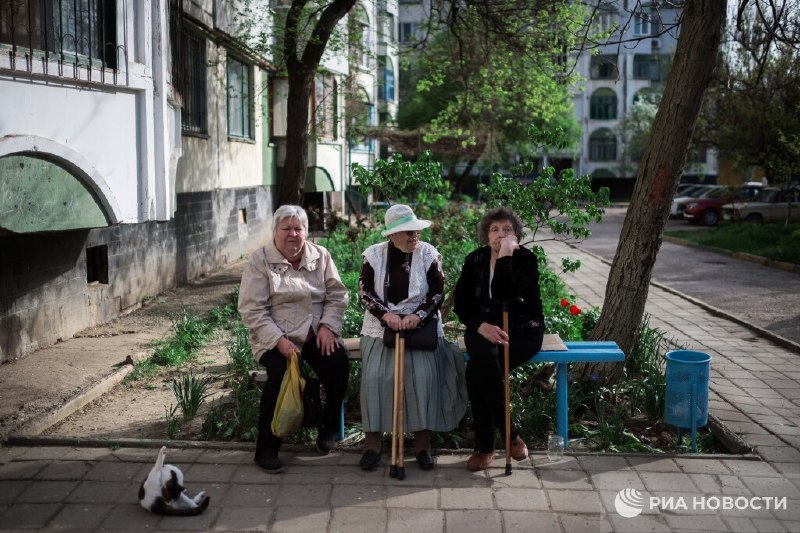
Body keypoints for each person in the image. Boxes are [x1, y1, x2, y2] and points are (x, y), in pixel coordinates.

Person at [238, 205, 350, 474]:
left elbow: (337, 295)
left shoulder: (320, 255)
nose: (292, 234)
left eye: (298, 228)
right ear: (274, 232)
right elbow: (253, 310)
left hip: (314, 332)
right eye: (286, 228)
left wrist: (328, 326)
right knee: (280, 375)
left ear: (306, 232)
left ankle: (328, 429)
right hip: (276, 335)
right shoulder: (261, 260)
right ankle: (267, 450)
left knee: (337, 363)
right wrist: (278, 341)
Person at [358, 204, 467, 471]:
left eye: (416, 230)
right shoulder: (373, 255)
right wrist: (386, 315)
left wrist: (417, 316)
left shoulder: (428, 253)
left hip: (421, 327)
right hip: (382, 326)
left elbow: (438, 291)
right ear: (392, 235)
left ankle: (422, 446)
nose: (414, 235)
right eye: (408, 231)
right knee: (375, 378)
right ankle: (372, 444)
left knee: (423, 379)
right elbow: (365, 292)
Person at [453, 207, 545, 471]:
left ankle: (485, 447)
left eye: (507, 229)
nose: (500, 234)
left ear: (516, 235)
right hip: (482, 328)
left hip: (521, 331)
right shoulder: (475, 260)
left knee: (476, 372)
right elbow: (462, 304)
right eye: (495, 229)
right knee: (482, 360)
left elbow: (506, 292)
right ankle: (510, 435)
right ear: (486, 235)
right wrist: (481, 326)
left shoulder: (526, 260)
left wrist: (506, 254)